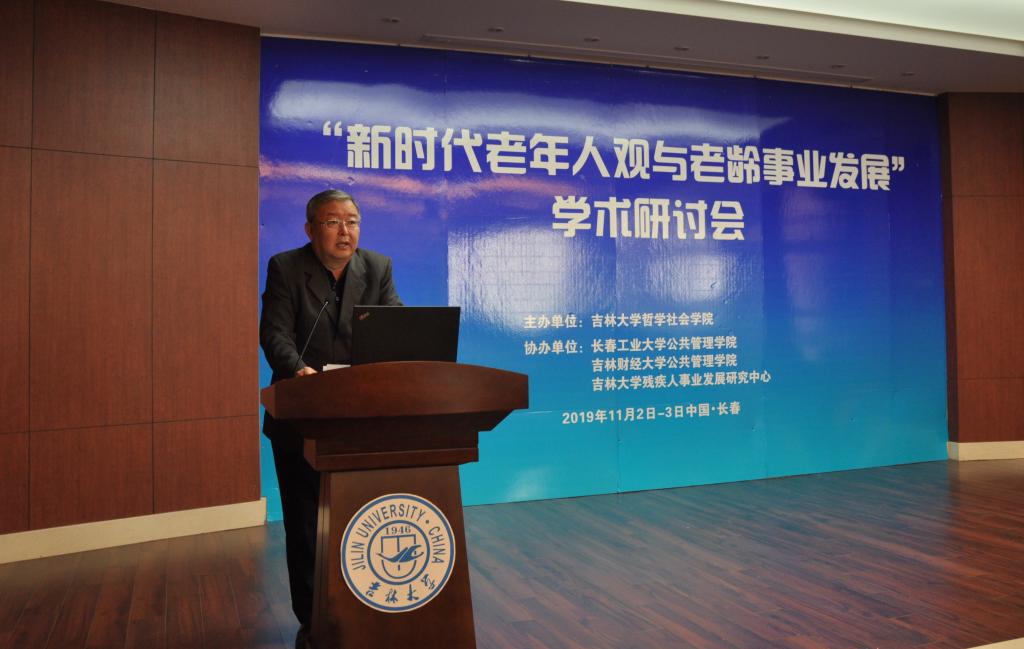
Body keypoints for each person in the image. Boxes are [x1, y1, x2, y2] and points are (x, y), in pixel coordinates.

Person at [260, 189, 401, 648]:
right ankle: (314, 624)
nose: (345, 231)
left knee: (359, 521)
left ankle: (362, 611)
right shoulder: (286, 268)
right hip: (302, 415)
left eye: (352, 221)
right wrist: (296, 368)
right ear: (310, 229)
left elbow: (396, 324)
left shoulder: (376, 267)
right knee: (305, 528)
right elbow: (275, 333)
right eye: (332, 222)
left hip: (359, 420)